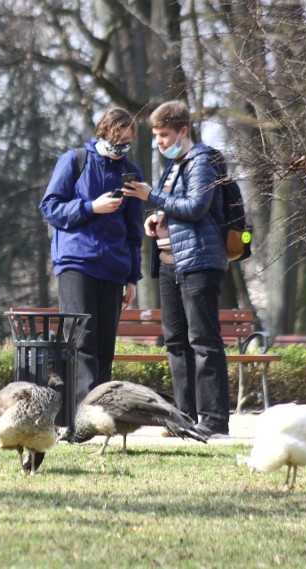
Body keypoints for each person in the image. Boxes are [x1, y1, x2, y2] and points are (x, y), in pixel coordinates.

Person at [121, 100, 230, 438]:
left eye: (165, 135)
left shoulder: (201, 162)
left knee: (203, 341)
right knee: (176, 343)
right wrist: (158, 218)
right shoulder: (175, 166)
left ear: (184, 131)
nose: (160, 143)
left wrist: (151, 196)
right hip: (170, 263)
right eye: (156, 136)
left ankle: (213, 422)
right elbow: (177, 209)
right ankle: (184, 417)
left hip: (197, 263)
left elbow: (198, 207)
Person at [38, 108, 144, 411]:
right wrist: (90, 208)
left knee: (104, 344)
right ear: (103, 134)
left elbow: (134, 230)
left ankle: (100, 411)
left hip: (114, 267)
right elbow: (50, 208)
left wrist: (132, 277)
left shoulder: (132, 172)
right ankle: (78, 414)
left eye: (126, 144)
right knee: (80, 339)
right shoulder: (75, 161)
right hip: (76, 262)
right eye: (116, 143)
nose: (120, 151)